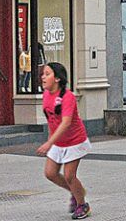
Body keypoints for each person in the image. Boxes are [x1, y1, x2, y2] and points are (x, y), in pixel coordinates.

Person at [38, 62, 92, 220]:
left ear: (57, 79)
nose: (43, 77)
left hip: (74, 141)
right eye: (43, 74)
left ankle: (82, 204)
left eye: (47, 74)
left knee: (69, 175)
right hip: (58, 141)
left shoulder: (67, 97)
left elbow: (66, 122)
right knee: (50, 173)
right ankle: (76, 191)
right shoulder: (46, 95)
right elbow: (51, 120)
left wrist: (49, 143)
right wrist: (51, 141)